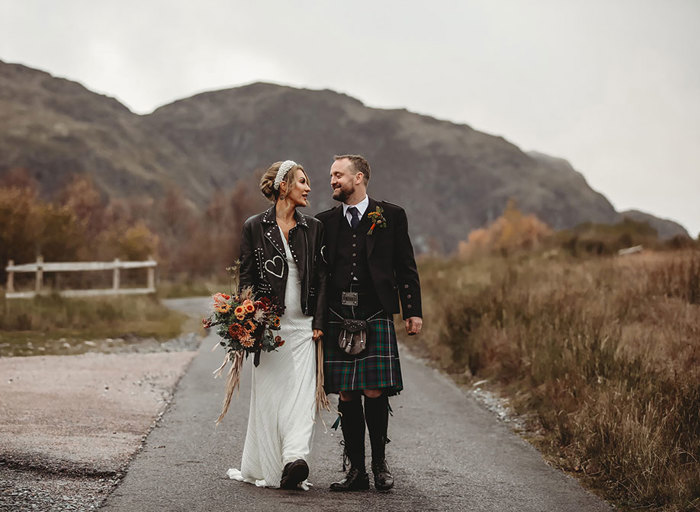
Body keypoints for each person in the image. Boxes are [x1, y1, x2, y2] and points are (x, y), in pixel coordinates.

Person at [316, 154, 422, 492]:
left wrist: (412, 311)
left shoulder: (390, 216)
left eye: (338, 175)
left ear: (358, 177)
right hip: (337, 315)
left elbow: (406, 266)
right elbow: (317, 276)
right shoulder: (324, 222)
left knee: (375, 390)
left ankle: (379, 465)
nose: (332, 181)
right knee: (347, 394)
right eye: (331, 176)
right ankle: (356, 471)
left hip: (375, 312)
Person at [227, 160, 327, 490]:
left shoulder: (313, 227)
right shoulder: (254, 226)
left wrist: (320, 321)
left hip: (304, 328)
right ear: (283, 185)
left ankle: (294, 460)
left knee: (301, 398)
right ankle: (273, 462)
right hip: (270, 330)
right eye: (302, 181)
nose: (308, 188)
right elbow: (247, 279)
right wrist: (248, 322)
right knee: (270, 398)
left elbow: (323, 279)